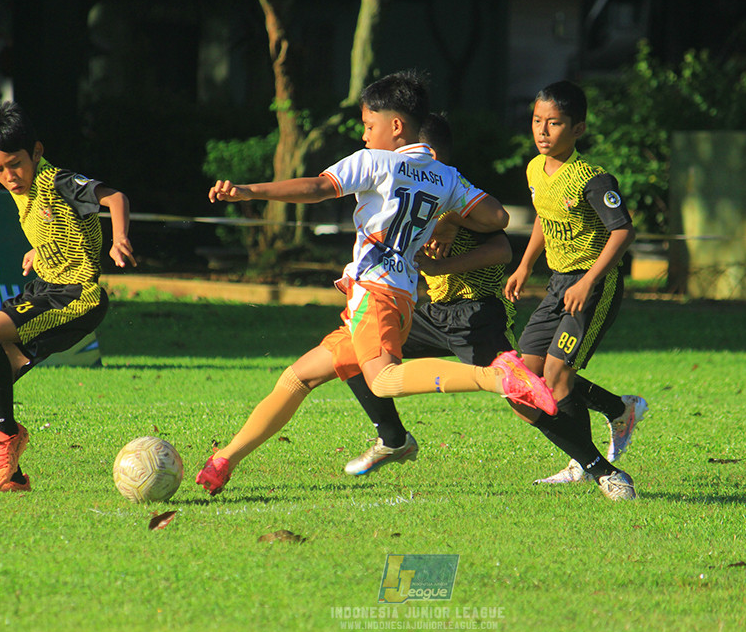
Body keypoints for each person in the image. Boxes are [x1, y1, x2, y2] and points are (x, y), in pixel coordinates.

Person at [196, 71, 556, 495]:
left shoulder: (373, 162)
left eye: (370, 126)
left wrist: (249, 191)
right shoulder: (445, 176)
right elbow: (497, 218)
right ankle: (224, 461)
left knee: (383, 381)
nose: (366, 137)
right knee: (298, 378)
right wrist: (450, 219)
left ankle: (498, 376)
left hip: (375, 291)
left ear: (396, 126)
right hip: (401, 296)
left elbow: (317, 187)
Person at [342, 112, 519, 476]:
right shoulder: (418, 195)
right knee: (352, 355)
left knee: (523, 395)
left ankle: (598, 456)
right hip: (435, 312)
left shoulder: (461, 198)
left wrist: (447, 238)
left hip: (475, 314)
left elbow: (502, 248)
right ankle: (392, 438)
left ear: (427, 155)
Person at [0, 100, 136, 492]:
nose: (10, 177)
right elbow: (58, 227)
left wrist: (119, 238)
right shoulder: (22, 189)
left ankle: (7, 437)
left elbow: (115, 198)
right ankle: (9, 476)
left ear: (37, 153)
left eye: (16, 164)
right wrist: (40, 250)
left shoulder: (56, 181)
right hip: (46, 288)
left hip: (76, 297)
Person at [503, 80, 647, 501]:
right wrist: (525, 264)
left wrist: (588, 281)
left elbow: (623, 232)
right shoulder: (534, 169)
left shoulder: (593, 180)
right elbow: (545, 220)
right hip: (558, 284)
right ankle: (621, 411)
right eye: (537, 121)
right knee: (526, 377)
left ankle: (589, 467)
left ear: (578, 129)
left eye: (555, 123)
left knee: (558, 377)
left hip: (594, 284)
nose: (543, 131)